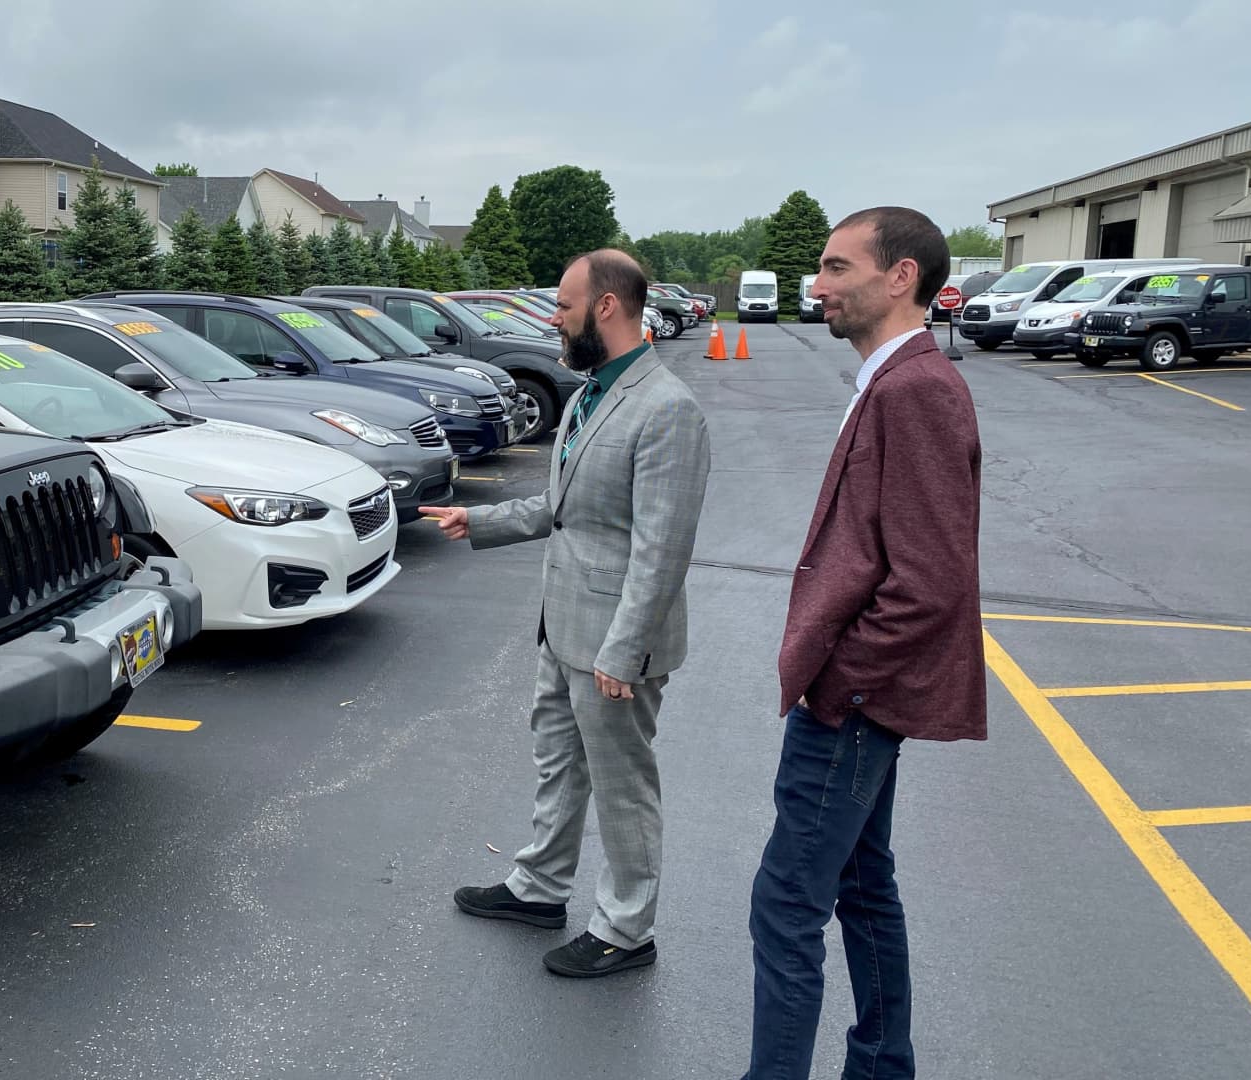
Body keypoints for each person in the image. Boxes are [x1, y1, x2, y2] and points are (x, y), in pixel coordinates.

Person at [419, 248, 711, 978]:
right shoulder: (588, 395)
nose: (553, 318)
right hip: (563, 626)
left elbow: (662, 549)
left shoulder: (667, 408)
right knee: (558, 764)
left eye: (563, 305)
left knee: (622, 783)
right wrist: (478, 522)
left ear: (606, 307)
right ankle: (540, 887)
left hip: (615, 646)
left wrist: (625, 649)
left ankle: (626, 927)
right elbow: (562, 508)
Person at [743, 207, 985, 1078]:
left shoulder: (915, 388)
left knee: (785, 905)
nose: (817, 285)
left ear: (900, 277)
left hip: (851, 705)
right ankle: (883, 1062)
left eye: (837, 267)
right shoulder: (895, 379)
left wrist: (840, 686)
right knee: (863, 884)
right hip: (861, 701)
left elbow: (930, 582)